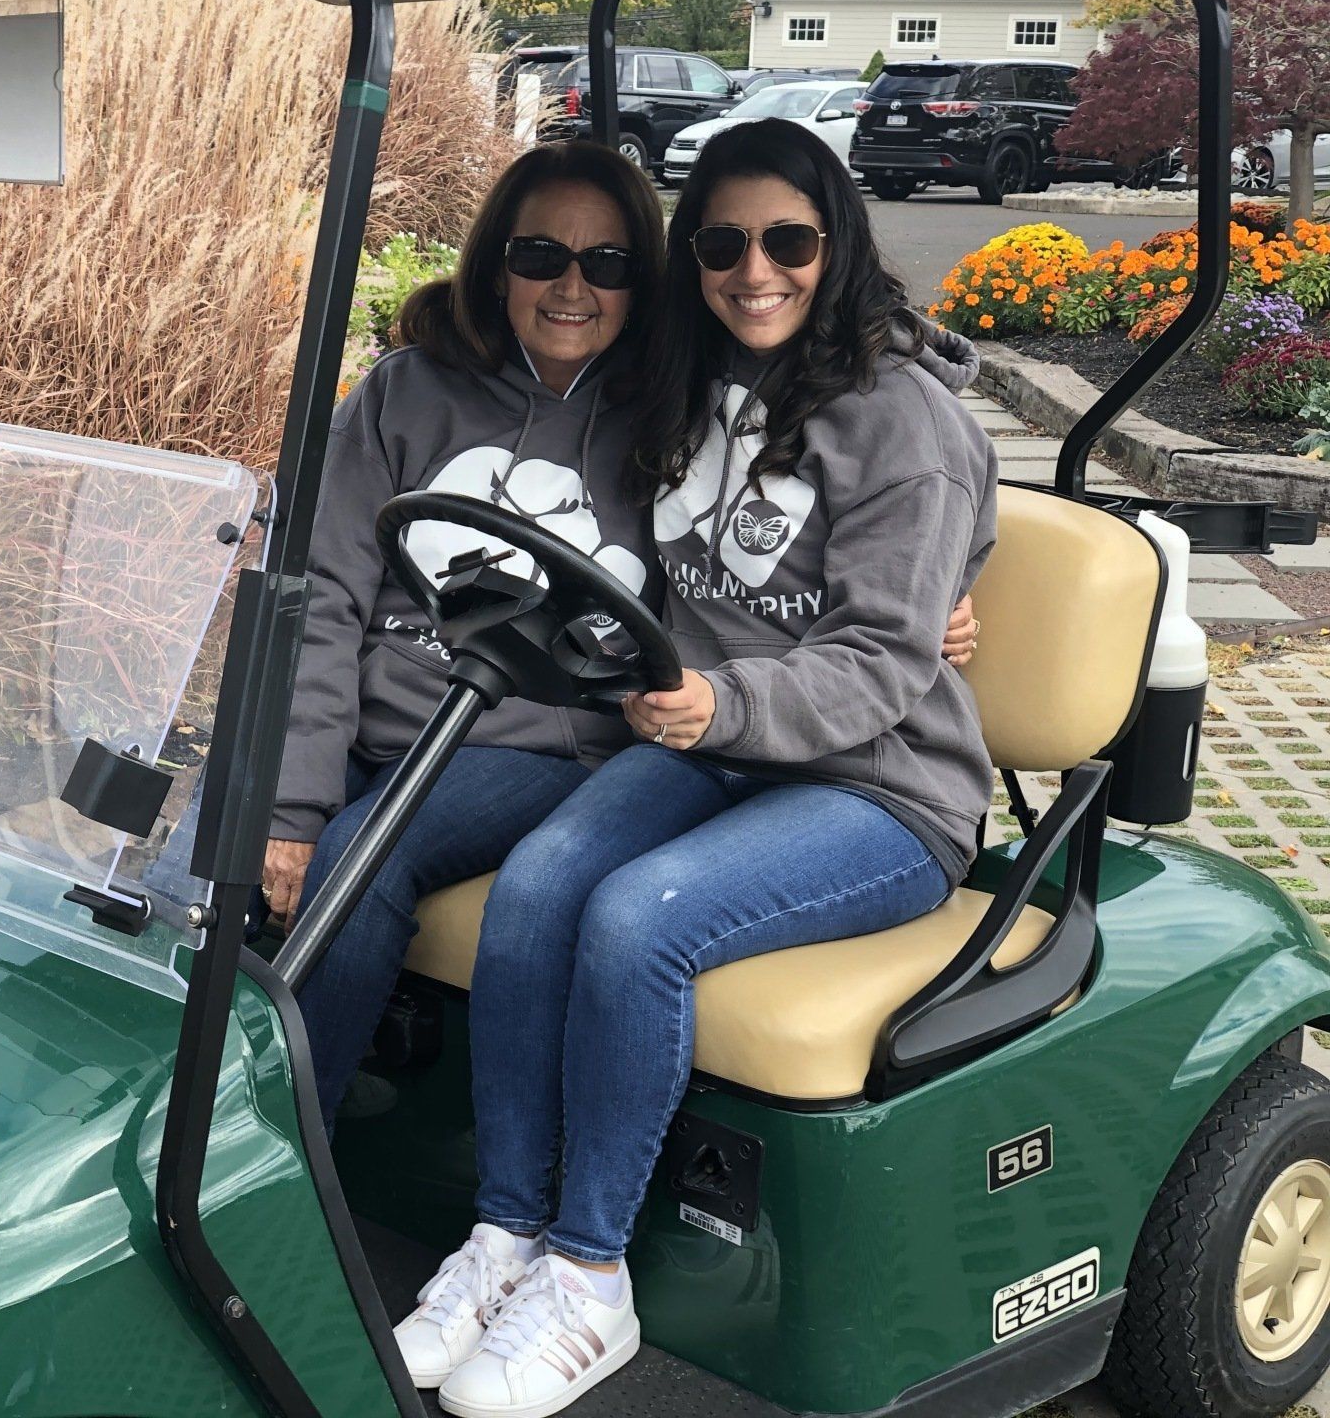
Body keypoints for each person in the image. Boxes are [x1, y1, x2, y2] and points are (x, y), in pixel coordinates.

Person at [409, 118, 1002, 1418]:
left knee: (641, 920)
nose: (755, 271)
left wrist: (735, 693)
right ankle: (506, 1234)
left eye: (789, 241)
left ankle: (589, 1276)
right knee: (540, 881)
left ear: (837, 244)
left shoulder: (901, 419)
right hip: (722, 745)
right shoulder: (694, 375)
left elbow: (884, 661)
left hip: (881, 787)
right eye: (724, 244)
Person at [267, 142, 668, 1133]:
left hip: (537, 742)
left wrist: (942, 583)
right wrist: (288, 801)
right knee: (196, 846)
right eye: (540, 256)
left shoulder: (674, 415)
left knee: (359, 862)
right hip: (381, 716)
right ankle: (132, 1104)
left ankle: (273, 1153)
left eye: (608, 263)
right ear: (497, 265)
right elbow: (323, 592)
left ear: (641, 282)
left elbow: (816, 463)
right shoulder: (409, 392)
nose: (572, 287)